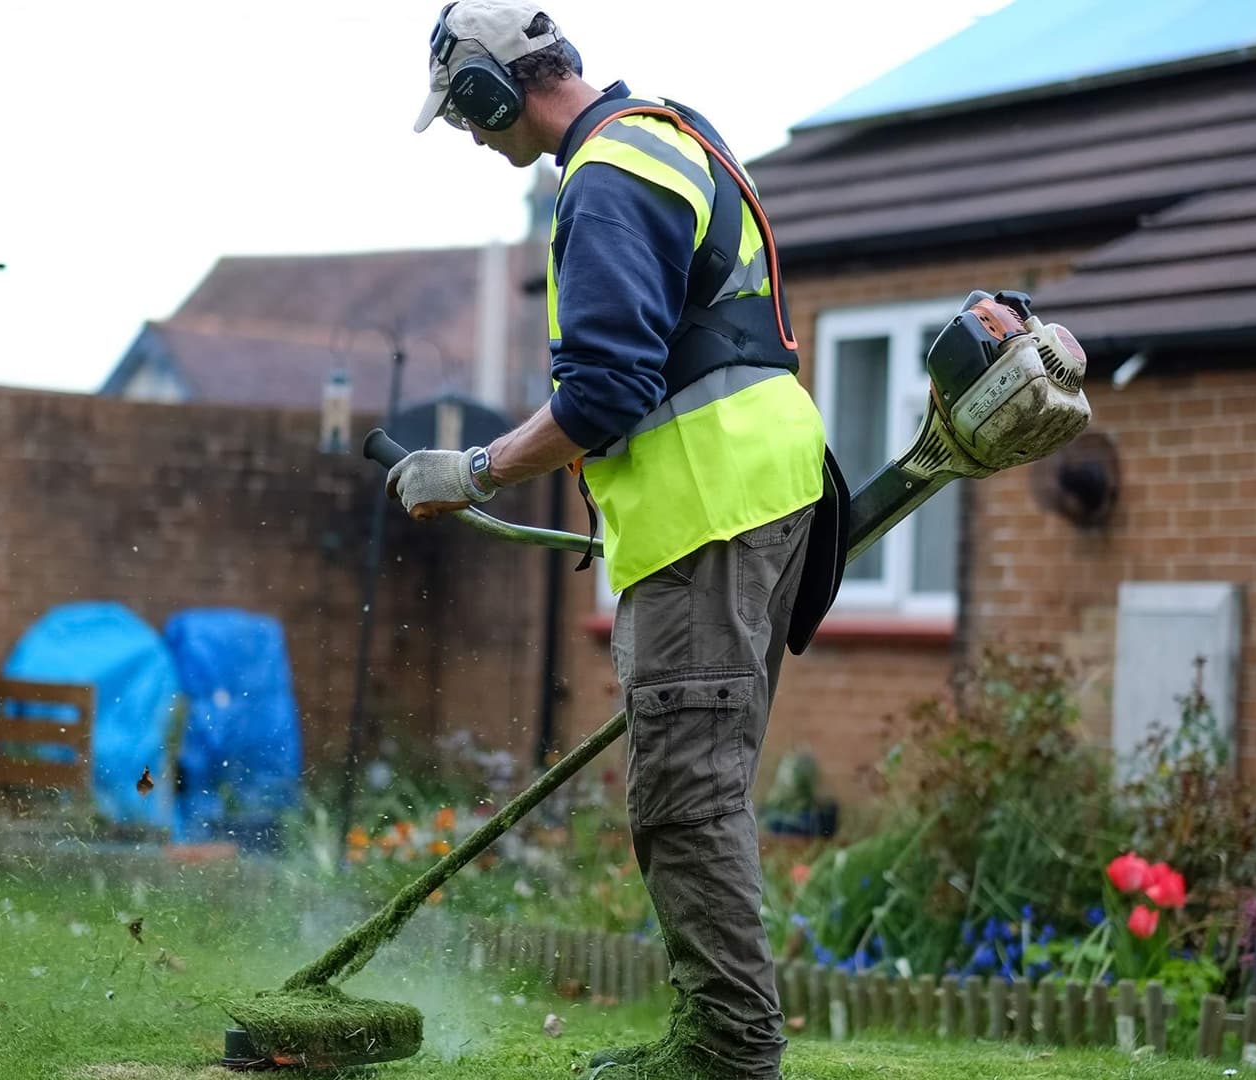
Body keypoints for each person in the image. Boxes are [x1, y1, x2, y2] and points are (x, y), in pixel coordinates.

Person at [392, 3, 833, 1077]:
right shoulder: (670, 134)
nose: (469, 136)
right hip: (767, 492)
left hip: (711, 510)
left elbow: (605, 391)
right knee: (700, 780)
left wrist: (477, 470)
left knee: (683, 792)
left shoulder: (604, 178)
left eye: (464, 113)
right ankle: (722, 1036)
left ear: (499, 92)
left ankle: (727, 1050)